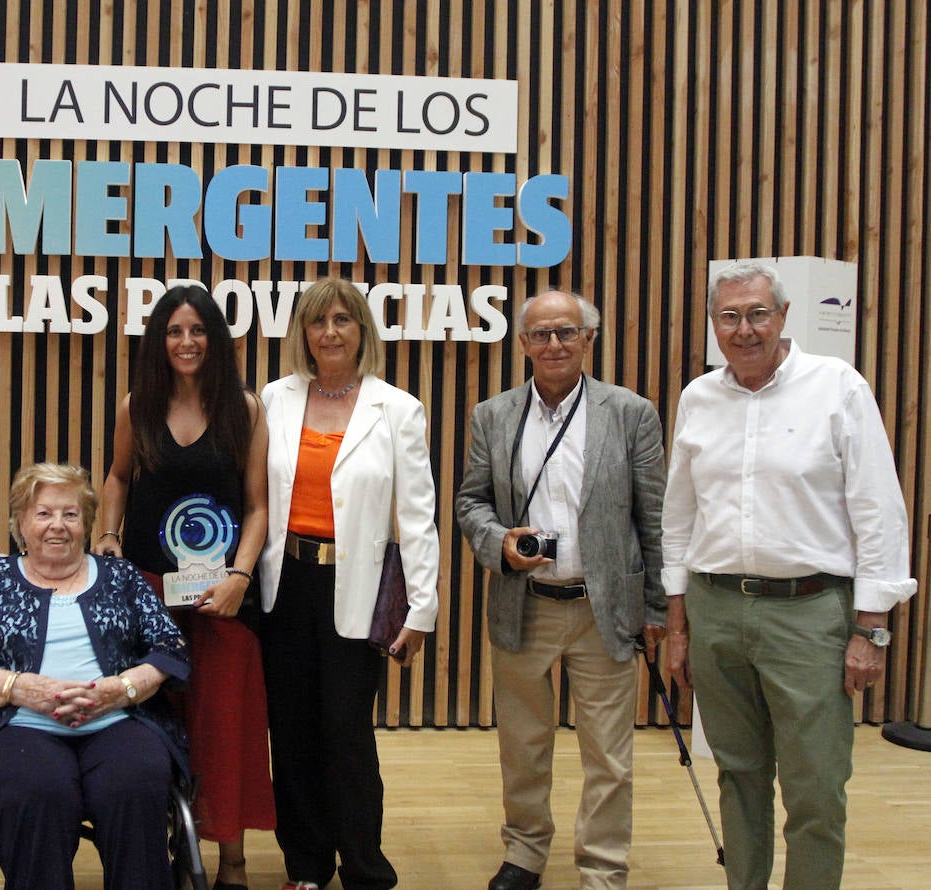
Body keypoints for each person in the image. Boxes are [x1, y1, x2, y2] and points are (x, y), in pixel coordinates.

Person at [661, 260, 916, 890]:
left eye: (757, 314)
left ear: (782, 316)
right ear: (714, 324)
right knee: (738, 774)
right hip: (715, 608)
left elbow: (878, 512)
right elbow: (679, 516)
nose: (744, 329)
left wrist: (872, 629)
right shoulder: (699, 397)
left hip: (810, 614)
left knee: (815, 786)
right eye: (729, 316)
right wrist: (677, 623)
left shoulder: (837, 387)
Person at [454, 289, 666, 890]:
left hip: (605, 609)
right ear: (521, 343)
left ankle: (602, 867)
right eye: (541, 334)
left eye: (566, 333)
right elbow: (471, 502)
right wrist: (499, 541)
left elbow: (654, 517)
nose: (553, 344)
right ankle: (524, 854)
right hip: (526, 605)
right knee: (523, 745)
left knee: (609, 756)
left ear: (589, 340)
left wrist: (656, 608)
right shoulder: (492, 416)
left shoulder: (630, 413)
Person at [0, 462, 191, 890]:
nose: (57, 526)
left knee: (134, 782)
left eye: (70, 514)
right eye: (43, 513)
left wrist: (120, 689)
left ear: (87, 523)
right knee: (39, 789)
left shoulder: (121, 577)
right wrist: (17, 687)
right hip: (17, 726)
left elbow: (169, 649)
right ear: (20, 523)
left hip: (117, 722)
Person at [258, 277, 439, 890]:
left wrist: (421, 609)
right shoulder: (274, 399)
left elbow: (417, 515)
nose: (329, 332)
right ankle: (305, 866)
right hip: (284, 589)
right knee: (292, 734)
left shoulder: (397, 408)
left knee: (348, 734)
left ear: (362, 330)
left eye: (341, 320)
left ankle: (364, 869)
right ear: (301, 334)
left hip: (356, 588)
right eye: (316, 322)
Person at [94, 285, 274, 890]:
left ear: (215, 339)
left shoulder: (244, 410)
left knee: (224, 723)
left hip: (222, 598)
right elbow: (118, 477)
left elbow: (256, 508)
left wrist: (239, 576)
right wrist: (108, 535)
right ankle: (171, 844)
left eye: (198, 330)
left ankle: (232, 862)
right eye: (174, 331)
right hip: (148, 595)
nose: (187, 342)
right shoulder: (136, 406)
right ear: (158, 341)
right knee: (155, 724)